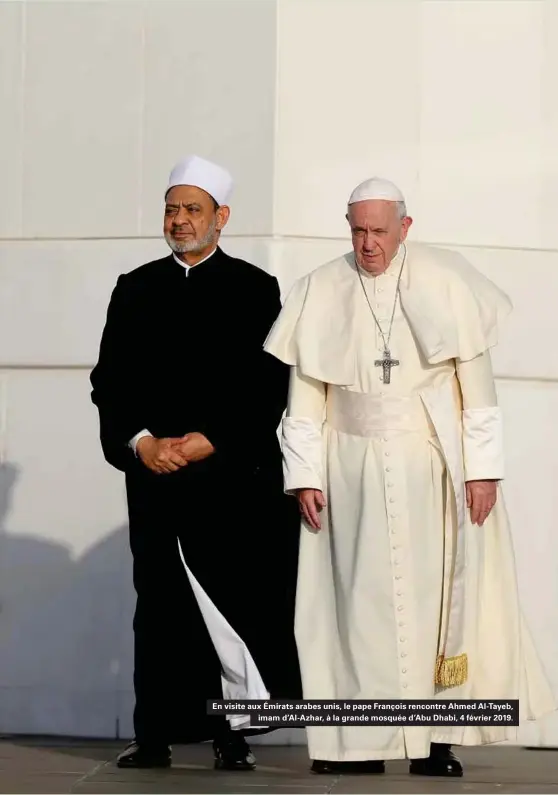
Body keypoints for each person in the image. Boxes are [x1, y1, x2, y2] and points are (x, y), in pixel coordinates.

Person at [263, 177, 555, 777]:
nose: (368, 244)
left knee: (436, 603)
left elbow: (478, 393)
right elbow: (306, 395)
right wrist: (304, 475)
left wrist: (484, 473)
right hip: (349, 468)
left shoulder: (448, 281)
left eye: (379, 231)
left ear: (405, 228)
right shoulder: (321, 287)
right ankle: (357, 744)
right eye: (358, 230)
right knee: (354, 606)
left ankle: (433, 741)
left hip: (431, 466)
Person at [90, 154, 301, 771]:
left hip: (228, 482)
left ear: (221, 217)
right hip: (154, 478)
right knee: (157, 604)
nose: (179, 221)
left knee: (229, 602)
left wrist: (213, 439)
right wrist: (141, 442)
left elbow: (266, 385)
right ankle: (153, 733)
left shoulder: (256, 289)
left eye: (192, 210)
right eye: (172, 209)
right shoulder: (135, 287)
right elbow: (110, 381)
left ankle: (229, 736)